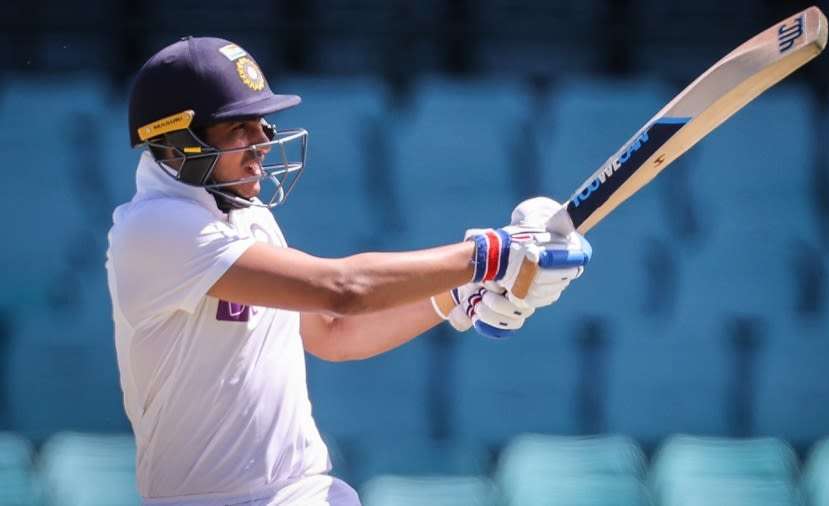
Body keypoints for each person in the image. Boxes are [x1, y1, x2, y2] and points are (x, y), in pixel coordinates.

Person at [106, 36, 591, 506]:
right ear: (175, 145)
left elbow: (334, 334)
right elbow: (341, 289)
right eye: (239, 128)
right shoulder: (154, 227)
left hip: (300, 491)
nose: (263, 142)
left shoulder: (246, 218)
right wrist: (486, 254)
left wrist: (455, 296)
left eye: (260, 124)